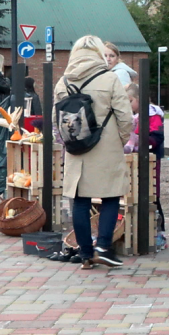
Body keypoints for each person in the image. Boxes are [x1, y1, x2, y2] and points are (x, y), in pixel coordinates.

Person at [54, 35, 135, 269]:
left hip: (76, 146)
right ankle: (103, 246)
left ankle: (85, 254)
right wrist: (119, 140)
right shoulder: (109, 79)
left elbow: (55, 119)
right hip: (106, 144)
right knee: (111, 195)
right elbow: (125, 116)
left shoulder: (64, 81)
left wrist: (68, 141)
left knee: (79, 198)